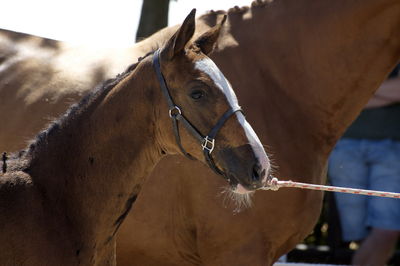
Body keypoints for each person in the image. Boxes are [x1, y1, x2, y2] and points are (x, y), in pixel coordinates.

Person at [328, 64, 400, 266]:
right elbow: (334, 91)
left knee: (387, 231)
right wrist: (386, 91)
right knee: (359, 235)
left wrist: (358, 91)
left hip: (393, 147)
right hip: (344, 148)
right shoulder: (343, 42)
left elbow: (346, 94)